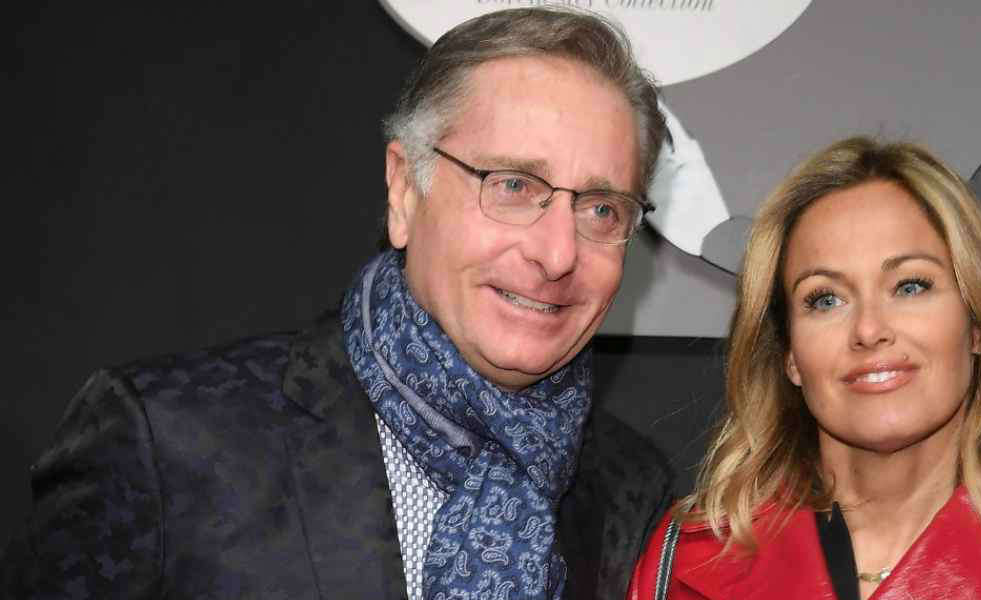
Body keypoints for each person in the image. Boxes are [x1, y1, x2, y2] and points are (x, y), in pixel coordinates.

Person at [3, 7, 673, 600]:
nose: (557, 253)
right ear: (404, 191)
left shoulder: (630, 488)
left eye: (601, 208)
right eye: (514, 185)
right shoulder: (168, 441)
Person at [629, 137, 981, 599]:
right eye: (825, 299)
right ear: (789, 354)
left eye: (910, 286)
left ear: (977, 324)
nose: (869, 329)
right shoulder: (683, 563)